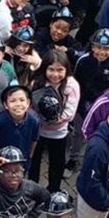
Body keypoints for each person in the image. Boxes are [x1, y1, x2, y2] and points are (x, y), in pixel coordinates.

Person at [30, 50, 79, 193]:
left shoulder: (71, 85)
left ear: (66, 69)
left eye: (60, 70)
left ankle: (53, 190)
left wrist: (54, 120)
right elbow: (30, 106)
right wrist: (39, 119)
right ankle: (32, 190)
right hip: (37, 131)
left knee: (57, 164)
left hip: (59, 133)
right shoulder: (37, 82)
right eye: (51, 69)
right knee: (34, 161)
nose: (55, 74)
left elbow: (70, 112)